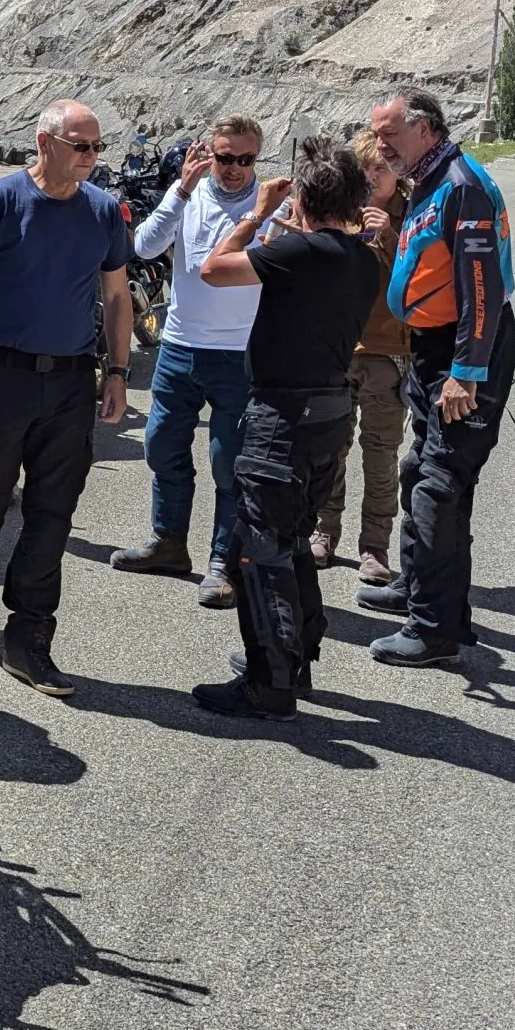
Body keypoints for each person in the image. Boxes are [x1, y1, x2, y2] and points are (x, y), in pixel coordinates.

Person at [0, 99, 134, 699]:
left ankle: (29, 638)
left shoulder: (104, 212)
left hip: (71, 383)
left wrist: (118, 372)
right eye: (82, 145)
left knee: (52, 515)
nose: (93, 157)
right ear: (45, 143)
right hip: (1, 377)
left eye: (98, 146)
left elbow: (119, 297)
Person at [188, 136, 379, 718]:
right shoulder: (363, 256)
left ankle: (269, 682)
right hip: (328, 413)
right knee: (293, 539)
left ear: (307, 200)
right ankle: (297, 656)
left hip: (283, 419)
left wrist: (257, 214)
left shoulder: (304, 252)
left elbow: (212, 269)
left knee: (259, 548)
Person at [358, 85, 515, 668]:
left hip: (462, 353)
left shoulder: (461, 185)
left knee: (439, 486)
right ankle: (420, 587)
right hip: (431, 345)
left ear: (424, 128)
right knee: (418, 469)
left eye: (388, 133)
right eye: (377, 133)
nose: (380, 144)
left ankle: (435, 628)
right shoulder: (428, 176)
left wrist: (465, 372)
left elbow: (482, 286)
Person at [111, 114, 265, 608]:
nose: (235, 168)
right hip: (178, 347)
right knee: (160, 446)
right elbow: (144, 246)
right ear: (211, 153)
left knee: (229, 461)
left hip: (240, 355)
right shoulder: (189, 194)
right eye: (226, 157)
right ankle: (169, 543)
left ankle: (224, 561)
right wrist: (179, 191)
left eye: (245, 159)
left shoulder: (270, 208)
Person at [317, 130, 410, 582]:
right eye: (366, 169)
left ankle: (375, 547)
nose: (373, 177)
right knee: (330, 447)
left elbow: (417, 281)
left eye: (382, 168)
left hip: (387, 351)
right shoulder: (342, 213)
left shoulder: (413, 213)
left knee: (380, 454)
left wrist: (389, 234)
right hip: (338, 347)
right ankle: (324, 532)